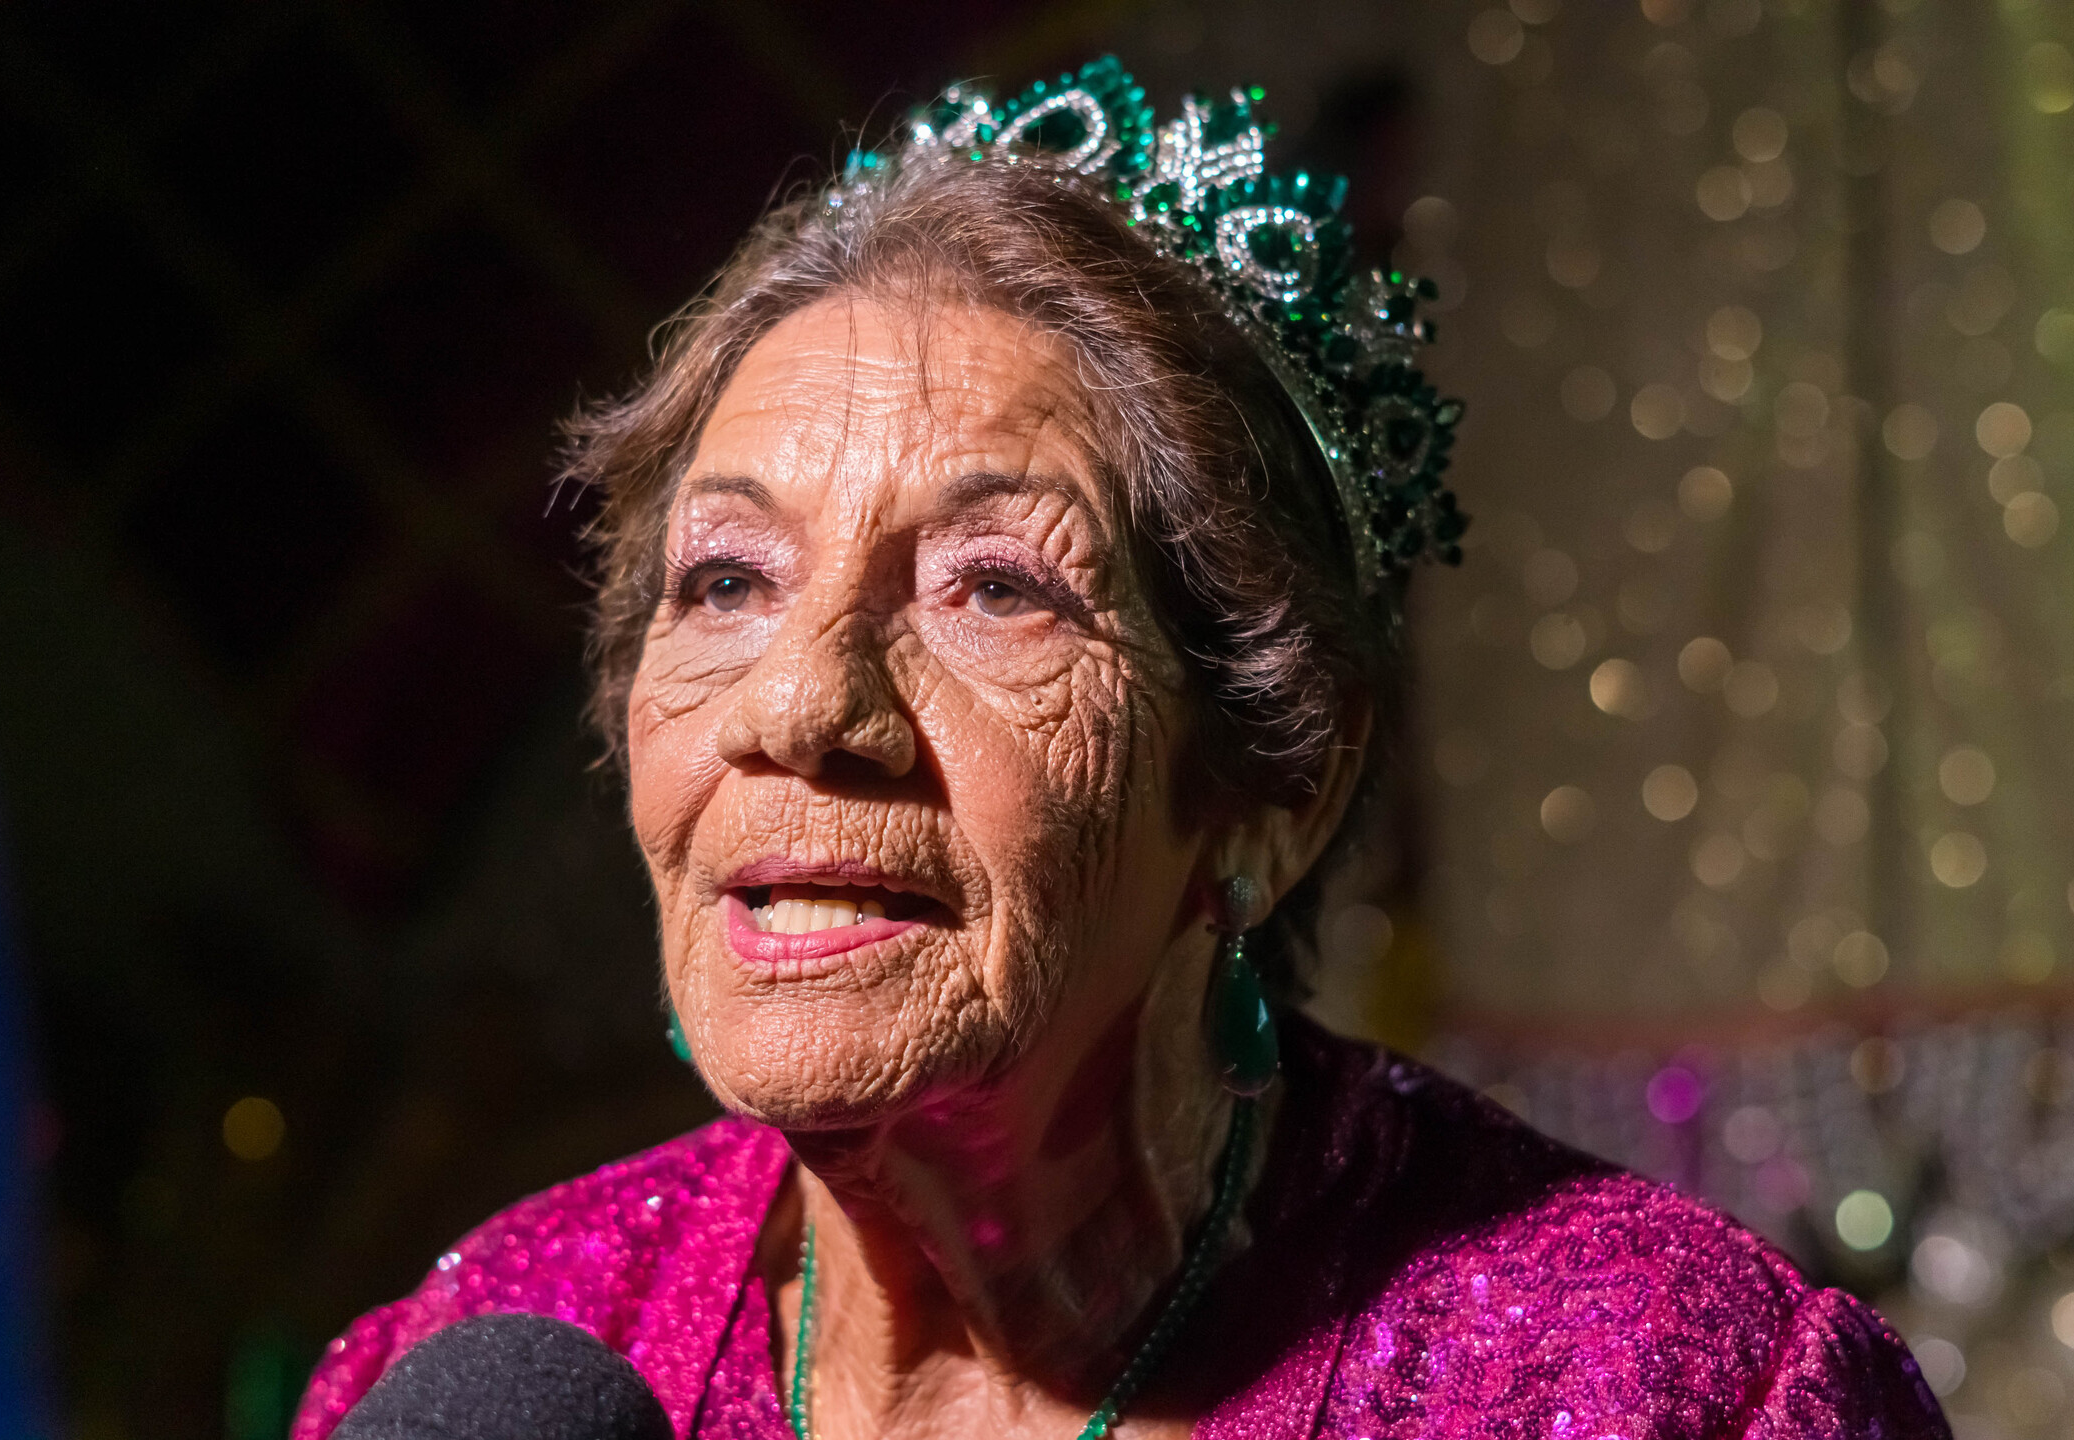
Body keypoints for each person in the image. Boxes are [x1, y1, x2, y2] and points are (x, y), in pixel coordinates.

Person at [292, 59, 1947, 1440]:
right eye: (727, 581)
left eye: (994, 588)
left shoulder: (1675, 1390)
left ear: (1270, 790)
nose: (797, 711)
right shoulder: (492, 1353)